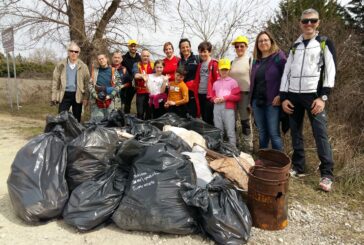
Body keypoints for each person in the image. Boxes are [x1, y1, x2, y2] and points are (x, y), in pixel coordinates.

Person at [280, 8, 336, 192]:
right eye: (305, 21)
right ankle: (299, 167)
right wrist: (284, 97)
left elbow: (330, 71)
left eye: (312, 20)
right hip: (294, 95)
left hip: (314, 96)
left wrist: (323, 97)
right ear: (300, 23)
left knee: (320, 134)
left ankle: (327, 174)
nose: (309, 24)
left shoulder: (324, 43)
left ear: (318, 22)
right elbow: (287, 72)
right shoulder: (294, 46)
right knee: (296, 133)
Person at [250, 31, 287, 151]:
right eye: (260, 41)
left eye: (266, 40)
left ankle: (280, 162)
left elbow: (287, 77)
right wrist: (251, 102)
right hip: (257, 101)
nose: (263, 43)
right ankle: (264, 160)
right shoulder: (255, 60)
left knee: (273, 133)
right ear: (257, 44)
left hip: (272, 101)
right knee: (262, 132)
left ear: (271, 41)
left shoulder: (279, 57)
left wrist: (281, 95)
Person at [51, 41, 90, 122]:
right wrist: (54, 96)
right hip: (64, 94)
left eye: (76, 51)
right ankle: (61, 133)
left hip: (78, 95)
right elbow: (55, 81)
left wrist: (86, 98)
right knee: (61, 118)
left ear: (78, 53)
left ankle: (75, 134)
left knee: (76, 120)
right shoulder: (61, 65)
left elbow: (87, 83)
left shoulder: (83, 66)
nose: (73, 53)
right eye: (71, 51)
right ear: (68, 52)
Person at [229, 35, 253, 152]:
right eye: (237, 46)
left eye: (241, 46)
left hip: (245, 95)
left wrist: (251, 100)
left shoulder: (250, 60)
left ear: (246, 47)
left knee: (245, 121)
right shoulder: (232, 62)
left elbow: (254, 80)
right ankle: (234, 144)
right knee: (232, 121)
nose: (239, 48)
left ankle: (247, 147)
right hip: (233, 96)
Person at [211, 58, 240, 146]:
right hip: (217, 107)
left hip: (228, 108)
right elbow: (212, 95)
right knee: (218, 129)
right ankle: (220, 148)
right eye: (222, 69)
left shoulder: (233, 82)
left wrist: (225, 98)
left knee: (230, 130)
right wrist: (214, 99)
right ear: (218, 70)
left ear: (229, 70)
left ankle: (233, 148)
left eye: (226, 69)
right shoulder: (216, 83)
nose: (224, 71)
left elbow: (237, 97)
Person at [88, 53, 122, 122]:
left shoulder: (113, 70)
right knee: (97, 121)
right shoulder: (95, 71)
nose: (101, 60)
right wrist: (95, 95)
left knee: (111, 121)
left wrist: (110, 96)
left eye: (102, 58)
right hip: (97, 100)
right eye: (99, 59)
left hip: (111, 100)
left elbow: (119, 85)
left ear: (106, 59)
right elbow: (90, 85)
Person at [194, 41, 219, 125]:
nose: (202, 54)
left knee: (210, 118)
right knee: (204, 117)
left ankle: (213, 136)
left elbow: (217, 81)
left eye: (205, 51)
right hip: (200, 93)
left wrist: (215, 95)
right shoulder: (200, 65)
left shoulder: (214, 64)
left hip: (209, 95)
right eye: (200, 52)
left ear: (210, 52)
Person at [177, 38, 200, 117]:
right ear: (180, 49)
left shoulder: (197, 59)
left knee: (194, 115)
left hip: (195, 92)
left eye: (187, 47)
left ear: (190, 47)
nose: (185, 49)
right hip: (183, 93)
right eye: (183, 47)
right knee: (184, 116)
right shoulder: (179, 62)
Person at [133, 49, 154, 120]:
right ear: (141, 56)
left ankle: (148, 128)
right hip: (140, 92)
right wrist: (143, 76)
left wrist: (145, 76)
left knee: (149, 112)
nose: (146, 58)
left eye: (147, 56)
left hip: (150, 92)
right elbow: (135, 75)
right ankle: (140, 128)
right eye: (144, 56)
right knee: (140, 112)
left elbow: (156, 75)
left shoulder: (153, 64)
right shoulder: (136, 64)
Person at [121, 39, 141, 114]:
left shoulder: (139, 58)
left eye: (134, 46)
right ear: (128, 47)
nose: (133, 48)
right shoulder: (123, 58)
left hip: (139, 84)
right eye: (131, 46)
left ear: (136, 47)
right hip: (128, 84)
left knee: (140, 103)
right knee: (127, 103)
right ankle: (126, 119)